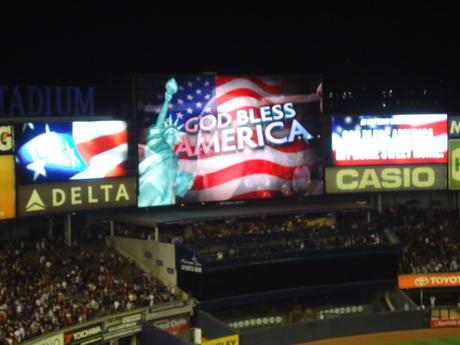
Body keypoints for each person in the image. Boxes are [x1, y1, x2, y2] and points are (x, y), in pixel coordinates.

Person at [138, 78, 195, 207]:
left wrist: (185, 179)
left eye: (173, 134)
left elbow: (176, 182)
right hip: (152, 184)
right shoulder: (158, 144)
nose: (171, 135)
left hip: (167, 194)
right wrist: (167, 100)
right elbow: (159, 123)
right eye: (168, 132)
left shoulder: (173, 158)